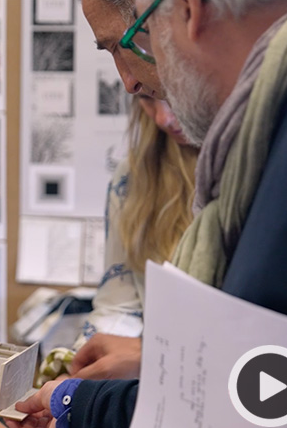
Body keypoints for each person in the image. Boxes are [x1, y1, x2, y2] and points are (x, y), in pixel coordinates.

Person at [7, 0, 287, 428]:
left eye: (129, 43)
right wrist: (80, 411)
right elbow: (246, 387)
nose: (130, 81)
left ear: (189, 10)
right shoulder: (271, 134)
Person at [37, 95, 198, 383]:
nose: (163, 118)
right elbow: (120, 304)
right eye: (148, 97)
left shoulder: (272, 163)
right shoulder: (134, 178)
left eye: (174, 96)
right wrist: (78, 371)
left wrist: (151, 356)